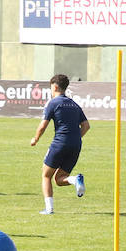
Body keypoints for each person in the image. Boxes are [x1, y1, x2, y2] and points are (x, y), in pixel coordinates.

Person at [28, 73, 90, 214]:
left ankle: (49, 209)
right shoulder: (74, 104)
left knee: (46, 176)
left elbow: (43, 125)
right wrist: (74, 138)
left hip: (60, 143)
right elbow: (86, 126)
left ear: (55, 87)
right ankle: (75, 180)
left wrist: (35, 139)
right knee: (59, 179)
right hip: (76, 145)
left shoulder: (53, 103)